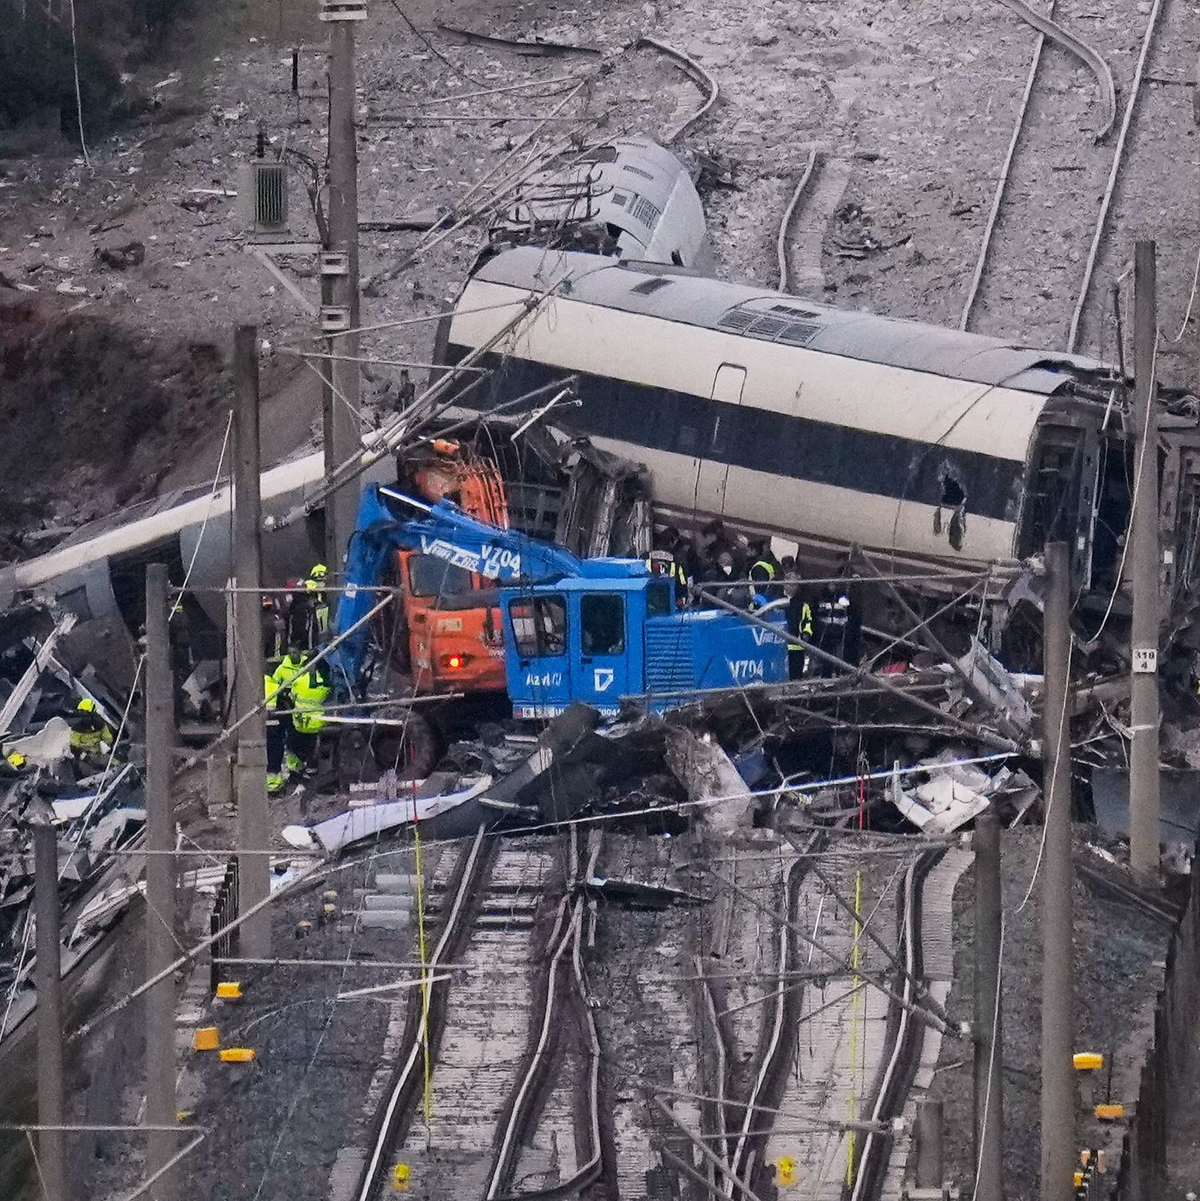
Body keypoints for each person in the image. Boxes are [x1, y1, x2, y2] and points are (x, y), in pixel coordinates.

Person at [285, 661, 331, 778]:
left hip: (300, 722)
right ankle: (312, 767)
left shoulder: (299, 681)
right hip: (317, 722)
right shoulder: (325, 682)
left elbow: (292, 697)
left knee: (292, 744)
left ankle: (296, 769)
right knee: (313, 745)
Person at [68, 698, 115, 764]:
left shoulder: (76, 727)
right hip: (96, 754)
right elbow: (108, 738)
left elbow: (74, 744)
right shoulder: (100, 723)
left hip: (86, 757)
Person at [785, 578, 816, 680]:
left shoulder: (803, 603)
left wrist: (806, 633)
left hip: (797, 644)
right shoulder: (778, 600)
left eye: (793, 585)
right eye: (788, 584)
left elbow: (808, 620)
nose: (791, 587)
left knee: (797, 672)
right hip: (780, 645)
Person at [265, 674, 287, 795]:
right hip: (273, 723)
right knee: (274, 749)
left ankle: (271, 784)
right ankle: (273, 784)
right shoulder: (272, 682)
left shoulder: (248, 683)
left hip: (258, 723)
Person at [261, 594, 286, 670]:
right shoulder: (277, 620)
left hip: (269, 655)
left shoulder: (261, 621)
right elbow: (282, 638)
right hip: (276, 655)